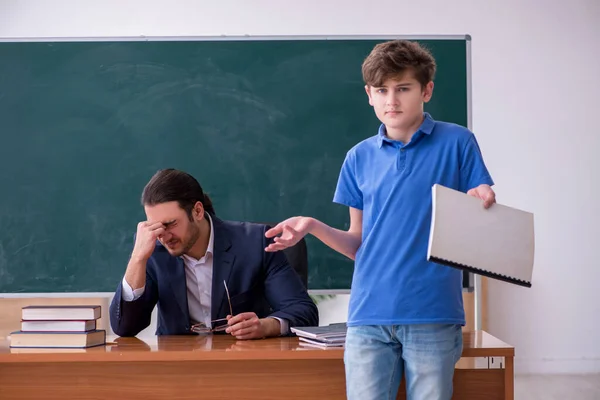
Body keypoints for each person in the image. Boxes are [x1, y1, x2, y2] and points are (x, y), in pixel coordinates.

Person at [264, 40, 495, 400]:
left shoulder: (458, 142)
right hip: (368, 316)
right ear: (369, 95)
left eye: (403, 88)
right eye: (382, 90)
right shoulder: (358, 158)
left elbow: (479, 192)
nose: (392, 100)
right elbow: (359, 244)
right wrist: (311, 225)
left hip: (432, 313)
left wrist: (481, 198)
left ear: (426, 90)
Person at [109, 168, 318, 339]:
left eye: (170, 224)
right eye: (155, 226)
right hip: (178, 368)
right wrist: (138, 259)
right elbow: (124, 327)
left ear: (197, 211)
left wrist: (265, 326)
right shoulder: (152, 248)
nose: (164, 235)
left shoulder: (256, 242)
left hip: (244, 365)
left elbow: (304, 311)